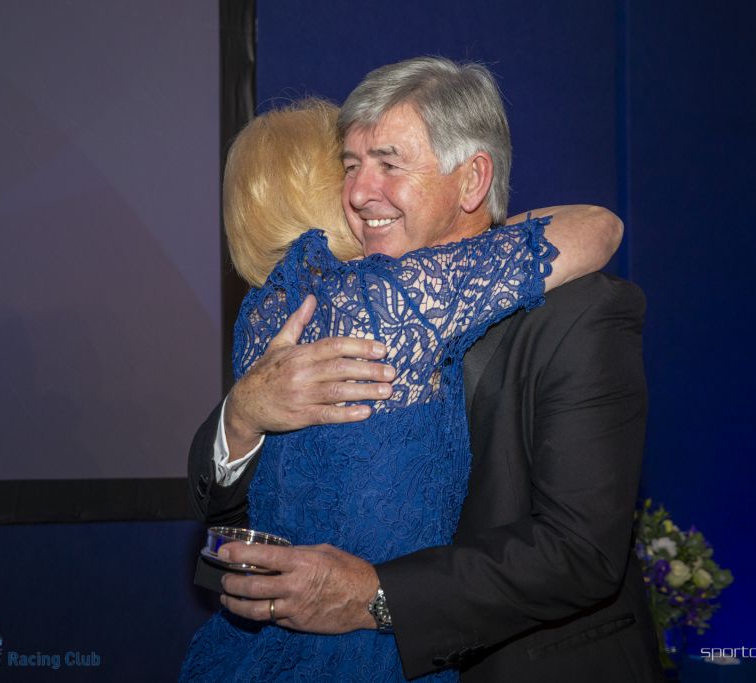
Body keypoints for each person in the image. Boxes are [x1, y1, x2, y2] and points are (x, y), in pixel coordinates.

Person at [188, 57, 662, 682]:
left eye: (390, 163)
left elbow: (578, 552)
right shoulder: (318, 306)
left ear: (471, 182)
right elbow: (236, 513)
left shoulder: (583, 312)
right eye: (351, 166)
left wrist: (378, 597)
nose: (358, 192)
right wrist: (242, 413)